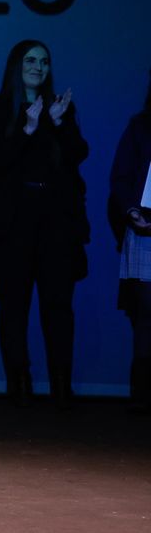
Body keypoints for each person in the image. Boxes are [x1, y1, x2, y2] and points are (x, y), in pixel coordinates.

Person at [0, 40, 89, 407]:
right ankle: (20, 384)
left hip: (56, 221)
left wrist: (57, 123)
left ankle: (61, 385)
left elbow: (78, 154)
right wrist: (26, 129)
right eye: (30, 60)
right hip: (14, 223)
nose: (38, 67)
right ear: (17, 65)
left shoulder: (61, 106)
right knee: (13, 307)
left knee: (58, 306)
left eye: (44, 61)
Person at [108, 70, 151, 413]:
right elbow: (121, 178)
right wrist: (131, 210)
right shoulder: (141, 126)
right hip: (147, 231)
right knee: (146, 315)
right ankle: (143, 396)